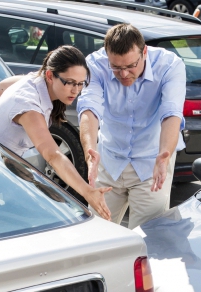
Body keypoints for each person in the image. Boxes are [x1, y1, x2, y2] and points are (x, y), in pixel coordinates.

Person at [0, 45, 111, 220]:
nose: (75, 90)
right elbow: (53, 155)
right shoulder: (28, 104)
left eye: (80, 84)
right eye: (69, 82)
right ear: (50, 75)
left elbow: (3, 85)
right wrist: (87, 192)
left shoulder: (35, 80)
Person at [77, 23, 186, 229]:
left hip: (152, 164)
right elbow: (89, 109)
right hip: (109, 161)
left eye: (130, 66)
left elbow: (171, 112)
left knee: (147, 242)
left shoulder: (170, 65)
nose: (124, 74)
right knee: (97, 234)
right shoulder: (95, 64)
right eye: (116, 67)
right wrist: (90, 153)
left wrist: (165, 154)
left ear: (144, 52)